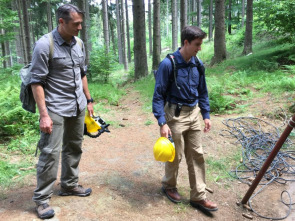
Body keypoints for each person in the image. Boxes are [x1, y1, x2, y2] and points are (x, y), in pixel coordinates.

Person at [30, 4, 94, 219]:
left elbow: (82, 73)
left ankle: (69, 185)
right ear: (61, 22)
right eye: (76, 24)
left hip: (77, 105)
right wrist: (44, 115)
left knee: (74, 147)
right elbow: (36, 82)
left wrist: (89, 99)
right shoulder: (44, 45)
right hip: (54, 107)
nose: (80, 27)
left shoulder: (79, 43)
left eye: (81, 23)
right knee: (50, 153)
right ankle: (41, 199)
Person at [152, 26, 218, 212]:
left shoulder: (198, 64)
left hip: (194, 113)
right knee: (175, 155)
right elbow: (158, 95)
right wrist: (162, 122)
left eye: (200, 44)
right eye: (197, 44)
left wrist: (205, 114)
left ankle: (198, 196)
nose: (199, 48)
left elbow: (203, 91)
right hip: (175, 115)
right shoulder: (169, 64)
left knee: (197, 154)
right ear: (186, 42)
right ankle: (169, 186)